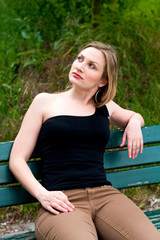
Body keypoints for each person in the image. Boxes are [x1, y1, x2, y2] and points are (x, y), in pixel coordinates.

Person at [9, 41, 160, 240]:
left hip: (105, 196)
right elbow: (17, 159)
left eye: (91, 65)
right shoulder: (44, 102)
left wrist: (134, 122)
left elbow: (134, 116)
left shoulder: (105, 107)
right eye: (80, 59)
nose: (79, 65)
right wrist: (42, 194)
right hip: (62, 201)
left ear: (103, 81)